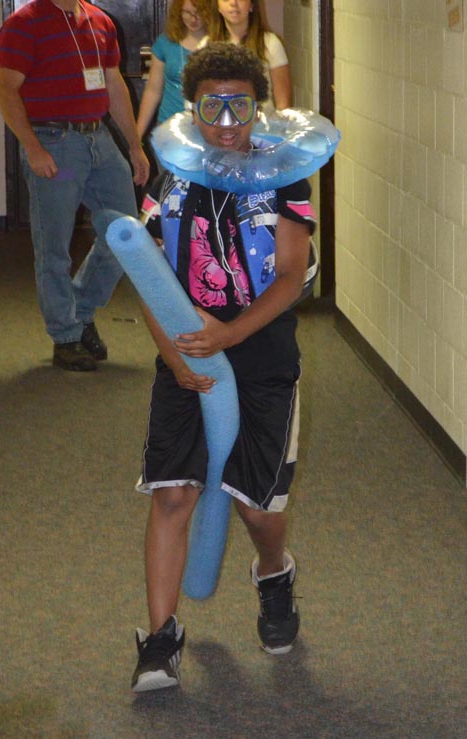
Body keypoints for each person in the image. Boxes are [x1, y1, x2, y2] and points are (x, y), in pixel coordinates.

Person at [131, 41, 316, 693]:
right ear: (195, 107)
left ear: (258, 107)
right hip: (186, 354)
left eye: (241, 105)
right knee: (175, 492)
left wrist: (229, 332)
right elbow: (147, 272)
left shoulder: (285, 172)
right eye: (214, 105)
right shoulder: (170, 174)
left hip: (263, 356)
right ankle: (159, 637)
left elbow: (292, 274)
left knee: (257, 510)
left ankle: (273, 573)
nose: (229, 120)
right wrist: (174, 353)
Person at [0, 0, 150, 372]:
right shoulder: (24, 23)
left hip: (100, 141)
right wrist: (32, 147)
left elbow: (113, 84)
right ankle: (65, 336)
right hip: (55, 147)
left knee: (126, 234)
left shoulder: (100, 21)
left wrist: (133, 146)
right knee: (54, 245)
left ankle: (80, 311)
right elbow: (6, 91)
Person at [200, 0, 292, 114]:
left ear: (252, 5)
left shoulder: (270, 43)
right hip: (220, 126)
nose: (233, 3)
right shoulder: (205, 46)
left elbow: (284, 106)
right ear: (217, 7)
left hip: (262, 127)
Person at [136, 0, 209, 140]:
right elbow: (152, 91)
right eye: (187, 12)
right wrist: (137, 136)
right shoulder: (166, 43)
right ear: (179, 12)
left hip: (208, 128)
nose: (193, 19)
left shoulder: (220, 43)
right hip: (169, 127)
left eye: (199, 13)